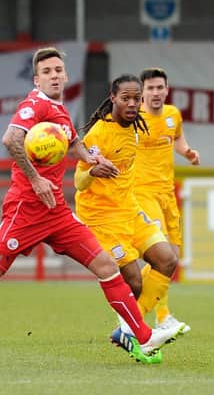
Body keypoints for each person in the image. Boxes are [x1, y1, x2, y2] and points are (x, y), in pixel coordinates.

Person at [0, 48, 178, 364]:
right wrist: (35, 179)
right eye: (47, 71)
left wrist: (91, 158)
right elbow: (11, 139)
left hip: (56, 212)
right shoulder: (34, 105)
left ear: (66, 75)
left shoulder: (59, 110)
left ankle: (141, 335)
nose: (55, 75)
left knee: (106, 267)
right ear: (37, 79)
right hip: (25, 210)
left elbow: (72, 143)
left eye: (58, 69)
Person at [74, 74, 184, 351]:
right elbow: (78, 181)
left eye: (137, 98)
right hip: (102, 218)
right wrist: (93, 171)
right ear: (113, 98)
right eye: (126, 98)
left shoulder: (137, 125)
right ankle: (136, 331)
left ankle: (127, 330)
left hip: (130, 209)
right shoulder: (99, 133)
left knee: (167, 260)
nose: (133, 103)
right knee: (133, 281)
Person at [135, 67, 200, 334]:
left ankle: (130, 305)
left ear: (167, 89)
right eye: (150, 88)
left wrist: (188, 153)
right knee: (161, 256)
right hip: (142, 194)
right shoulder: (132, 118)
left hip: (167, 195)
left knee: (171, 258)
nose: (155, 93)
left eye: (159, 87)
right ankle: (159, 316)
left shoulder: (173, 115)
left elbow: (178, 139)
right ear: (142, 93)